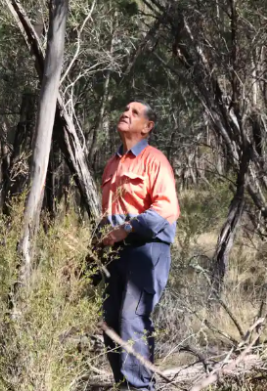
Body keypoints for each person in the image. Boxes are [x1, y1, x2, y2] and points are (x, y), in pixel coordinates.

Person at [97, 101, 180, 390]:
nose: (125, 113)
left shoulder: (154, 160)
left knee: (132, 319)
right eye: (125, 109)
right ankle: (124, 385)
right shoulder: (112, 163)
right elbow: (107, 215)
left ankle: (140, 388)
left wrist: (128, 228)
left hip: (147, 251)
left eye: (134, 112)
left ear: (147, 127)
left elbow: (166, 210)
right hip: (115, 254)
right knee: (110, 323)